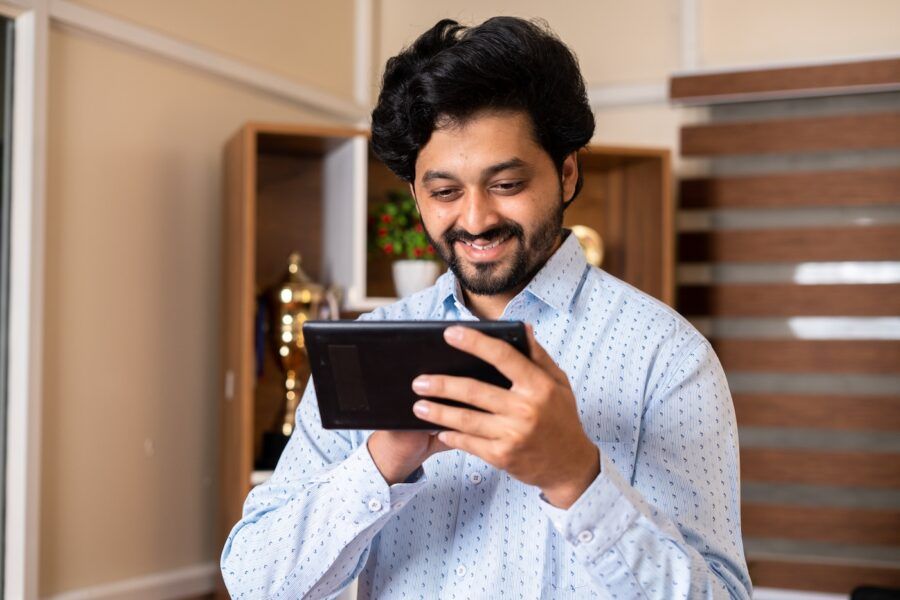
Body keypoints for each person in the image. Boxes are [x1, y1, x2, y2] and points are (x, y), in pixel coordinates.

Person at [221, 17, 752, 599]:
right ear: (417, 195)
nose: (474, 221)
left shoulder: (668, 356)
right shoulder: (367, 345)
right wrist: (381, 460)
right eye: (445, 192)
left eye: (506, 184)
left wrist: (575, 476)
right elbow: (253, 582)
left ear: (567, 171)